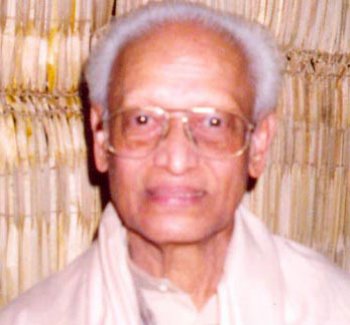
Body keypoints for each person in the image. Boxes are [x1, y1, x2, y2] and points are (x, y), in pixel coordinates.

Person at [1, 2, 350, 324]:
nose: (176, 159)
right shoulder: (35, 318)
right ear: (101, 139)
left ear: (258, 144)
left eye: (213, 122)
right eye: (142, 120)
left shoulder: (331, 308)